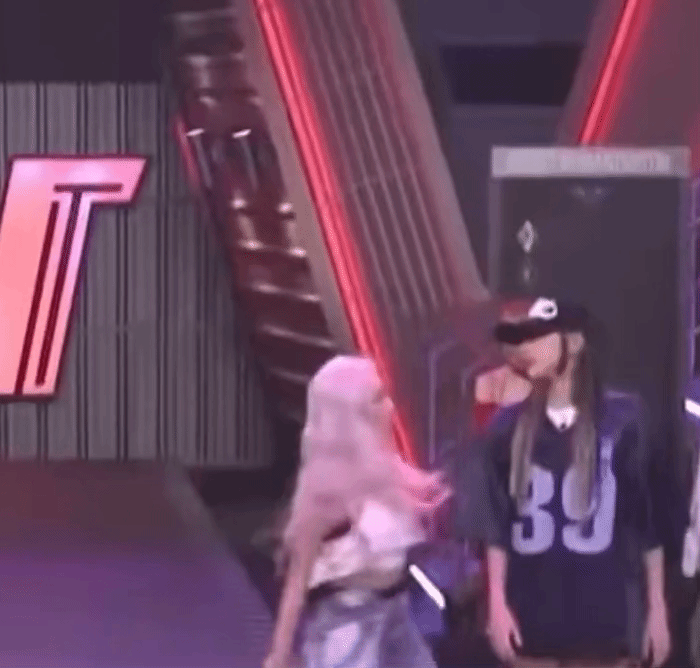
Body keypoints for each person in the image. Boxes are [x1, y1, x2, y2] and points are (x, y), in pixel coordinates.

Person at [454, 297, 671, 667]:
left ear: (574, 342)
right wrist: (497, 606)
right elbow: (495, 529)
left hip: (606, 624)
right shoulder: (505, 428)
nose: (525, 348)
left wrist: (657, 609)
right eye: (519, 339)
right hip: (532, 622)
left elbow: (647, 524)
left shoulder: (624, 420)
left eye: (537, 337)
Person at [263, 355, 451, 668]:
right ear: (350, 415)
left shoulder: (389, 471)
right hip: (348, 627)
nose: (390, 408)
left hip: (398, 614)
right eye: (377, 399)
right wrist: (279, 656)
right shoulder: (325, 493)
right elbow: (297, 582)